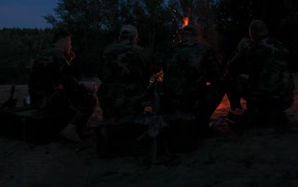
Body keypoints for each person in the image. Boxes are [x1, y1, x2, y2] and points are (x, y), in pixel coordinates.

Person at [161, 25, 225, 151]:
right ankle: (202, 119)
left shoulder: (171, 50)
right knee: (222, 84)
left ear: (181, 36)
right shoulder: (204, 48)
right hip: (194, 101)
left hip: (173, 102)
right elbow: (216, 75)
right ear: (195, 36)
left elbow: (166, 74)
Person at [224, 20, 295, 133]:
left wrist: (240, 48)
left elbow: (230, 67)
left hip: (262, 98)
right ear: (266, 31)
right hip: (286, 99)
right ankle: (273, 112)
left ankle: (237, 109)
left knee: (228, 78)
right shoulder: (279, 45)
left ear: (251, 33)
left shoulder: (251, 47)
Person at [28, 29, 96, 142]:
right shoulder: (58, 57)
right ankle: (72, 130)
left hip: (37, 101)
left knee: (71, 99)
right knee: (89, 98)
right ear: (63, 41)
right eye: (70, 43)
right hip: (49, 101)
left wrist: (67, 59)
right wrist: (88, 88)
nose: (71, 47)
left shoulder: (43, 54)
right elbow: (71, 86)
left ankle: (71, 127)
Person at [96, 24, 153, 158]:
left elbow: (100, 75)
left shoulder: (107, 50)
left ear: (119, 37)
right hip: (131, 103)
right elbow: (145, 81)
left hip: (109, 101)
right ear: (135, 38)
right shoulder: (141, 52)